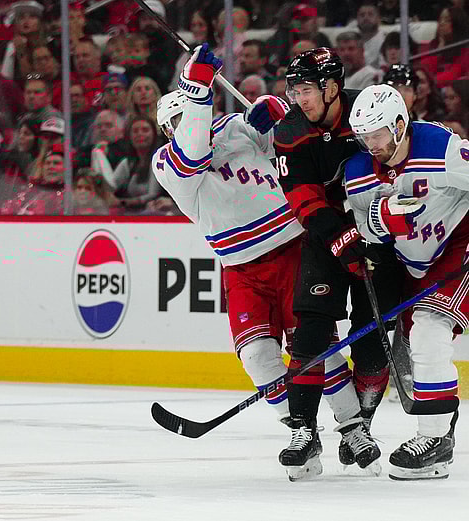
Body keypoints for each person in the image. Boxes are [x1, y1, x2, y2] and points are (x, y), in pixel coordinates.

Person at [151, 45, 367, 474]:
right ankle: (301, 433)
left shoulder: (231, 127)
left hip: (292, 247)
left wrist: (275, 112)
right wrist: (197, 88)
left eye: (188, 117)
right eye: (174, 123)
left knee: (316, 344)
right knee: (257, 358)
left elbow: (287, 144)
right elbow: (193, 151)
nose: (185, 126)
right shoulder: (170, 164)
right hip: (242, 268)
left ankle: (353, 428)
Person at [247, 48, 406, 480]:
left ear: (332, 87)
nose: (299, 98)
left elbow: (400, 160)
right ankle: (303, 429)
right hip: (325, 235)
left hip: (378, 230)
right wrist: (339, 239)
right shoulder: (290, 131)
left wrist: (374, 227)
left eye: (306, 89)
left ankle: (360, 427)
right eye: (293, 89)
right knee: (312, 327)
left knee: (372, 334)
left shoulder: (368, 111)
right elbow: (303, 199)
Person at [344, 84, 469, 480]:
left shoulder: (438, 147)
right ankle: (440, 425)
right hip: (412, 262)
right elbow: (361, 227)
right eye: (364, 137)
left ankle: (435, 440)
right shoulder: (357, 173)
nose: (371, 145)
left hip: (461, 246)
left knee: (429, 330)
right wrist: (380, 219)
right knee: (410, 348)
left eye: (378, 135)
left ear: (400, 125)